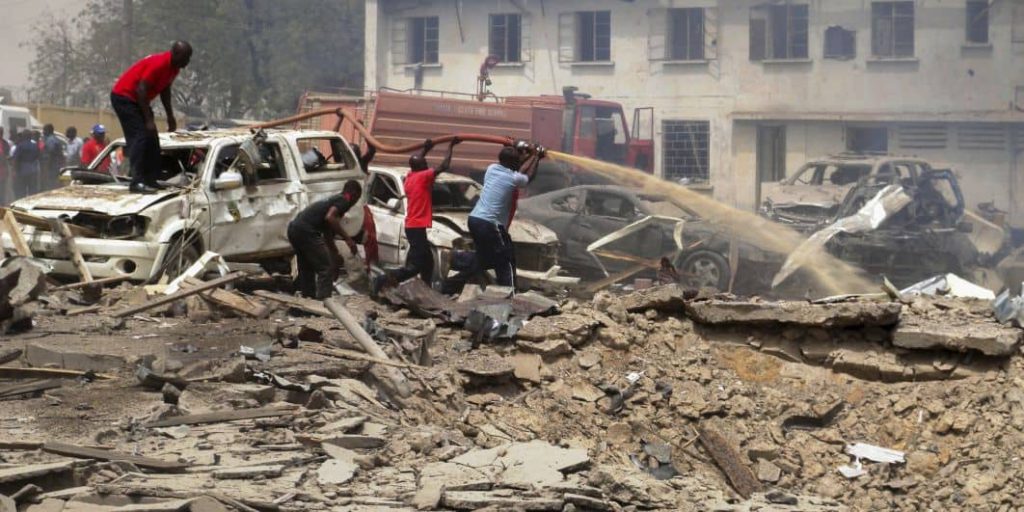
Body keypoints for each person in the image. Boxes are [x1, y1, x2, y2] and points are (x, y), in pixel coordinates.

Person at [373, 138, 460, 294]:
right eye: (425, 163)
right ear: (421, 168)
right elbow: (444, 166)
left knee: (427, 262)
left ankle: (426, 291)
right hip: (416, 227)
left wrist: (426, 149)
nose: (427, 165)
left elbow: (416, 162)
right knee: (415, 267)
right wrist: (451, 146)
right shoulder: (423, 177)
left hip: (413, 226)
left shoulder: (410, 177)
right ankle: (383, 279)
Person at [110, 40, 192, 194]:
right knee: (140, 137)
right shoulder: (159, 63)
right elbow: (141, 90)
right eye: (185, 58)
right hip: (124, 97)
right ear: (175, 54)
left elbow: (165, 90)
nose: (187, 62)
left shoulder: (174, 69)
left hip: (139, 100)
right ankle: (137, 182)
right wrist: (148, 119)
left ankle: (150, 179)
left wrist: (170, 116)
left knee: (152, 139)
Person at [466, 144, 544, 288]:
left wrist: (531, 155)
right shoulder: (513, 178)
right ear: (513, 162)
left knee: (483, 258)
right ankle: (509, 294)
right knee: (506, 260)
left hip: (474, 219)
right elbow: (527, 177)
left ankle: (453, 273)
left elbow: (516, 168)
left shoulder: (491, 169)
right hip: (490, 223)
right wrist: (536, 157)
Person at [287, 180, 363, 299]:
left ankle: (308, 301)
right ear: (354, 194)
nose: (355, 203)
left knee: (307, 268)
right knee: (326, 268)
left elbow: (327, 232)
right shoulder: (344, 200)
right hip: (306, 231)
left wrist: (335, 254)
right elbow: (330, 218)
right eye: (357, 198)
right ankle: (324, 302)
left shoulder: (333, 200)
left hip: (294, 229)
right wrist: (348, 240)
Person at [12, 131, 41, 199]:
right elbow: (38, 157)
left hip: (22, 170)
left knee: (22, 191)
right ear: (30, 136)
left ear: (23, 136)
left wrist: (14, 170)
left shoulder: (20, 146)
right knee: (32, 190)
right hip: (33, 170)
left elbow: (16, 159)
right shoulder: (35, 146)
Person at [40, 124, 65, 191]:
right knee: (55, 183)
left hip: (52, 166)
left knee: (51, 184)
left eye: (44, 130)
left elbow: (50, 154)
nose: (43, 132)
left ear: (48, 130)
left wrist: (46, 167)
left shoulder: (50, 140)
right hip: (56, 165)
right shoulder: (56, 139)